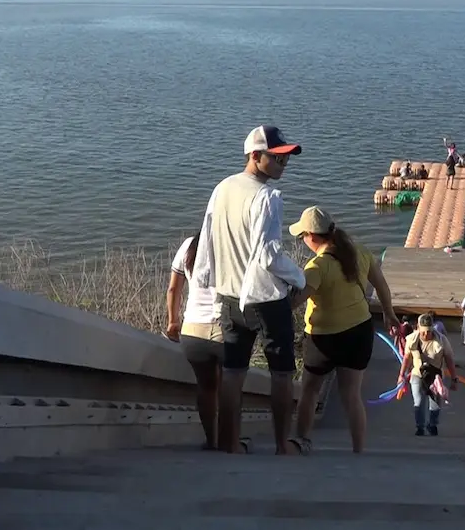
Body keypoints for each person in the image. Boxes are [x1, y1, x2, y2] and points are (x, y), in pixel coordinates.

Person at [191, 125, 306, 455]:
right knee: (282, 374)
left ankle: (228, 444)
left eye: (286, 158)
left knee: (233, 373)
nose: (284, 164)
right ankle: (283, 446)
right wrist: (298, 278)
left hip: (229, 297)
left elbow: (207, 241)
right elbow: (268, 255)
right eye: (278, 158)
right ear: (255, 156)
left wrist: (206, 282)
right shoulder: (267, 197)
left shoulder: (222, 188)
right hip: (265, 298)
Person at [288, 206, 400, 455]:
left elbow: (294, 302)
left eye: (302, 236)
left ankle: (302, 441)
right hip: (359, 332)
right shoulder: (358, 252)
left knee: (309, 391)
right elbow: (381, 285)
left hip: (323, 340)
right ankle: (358, 450)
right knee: (352, 395)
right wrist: (389, 315)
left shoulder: (316, 267)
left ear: (312, 236)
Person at [163, 231, 221, 450]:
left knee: (206, 387)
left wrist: (173, 321)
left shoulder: (189, 246)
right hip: (224, 327)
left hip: (193, 329)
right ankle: (229, 440)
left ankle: (212, 441)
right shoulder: (233, 244)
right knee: (228, 385)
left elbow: (173, 288)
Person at [399, 313, 459, 436]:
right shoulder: (412, 339)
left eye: (429, 331)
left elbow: (449, 360)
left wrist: (454, 378)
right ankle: (420, 426)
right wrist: (401, 375)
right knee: (419, 402)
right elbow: (407, 357)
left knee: (435, 404)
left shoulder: (441, 340)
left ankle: (432, 425)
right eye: (423, 332)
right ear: (418, 328)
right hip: (417, 374)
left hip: (435, 376)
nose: (426, 334)